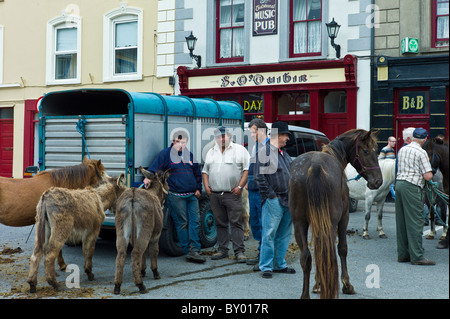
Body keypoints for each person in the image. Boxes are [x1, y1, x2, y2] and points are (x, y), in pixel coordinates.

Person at [145, 130, 205, 263]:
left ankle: (195, 249)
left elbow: (197, 172)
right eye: (178, 142)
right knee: (182, 223)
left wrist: (198, 188)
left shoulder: (189, 155)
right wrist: (148, 178)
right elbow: (154, 168)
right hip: (175, 195)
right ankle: (187, 249)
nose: (181, 144)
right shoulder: (166, 154)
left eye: (183, 142)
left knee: (195, 221)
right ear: (173, 142)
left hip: (192, 195)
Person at [202, 126, 250, 263]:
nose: (221, 139)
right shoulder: (211, 152)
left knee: (236, 223)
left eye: (223, 136)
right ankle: (222, 250)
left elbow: (247, 169)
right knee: (220, 223)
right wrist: (207, 187)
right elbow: (205, 171)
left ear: (229, 136)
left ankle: (239, 252)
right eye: (218, 137)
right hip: (215, 194)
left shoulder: (239, 150)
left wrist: (240, 186)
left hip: (232, 194)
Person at [255, 121, 296, 278]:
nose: (287, 139)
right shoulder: (264, 152)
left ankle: (279, 264)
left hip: (288, 199)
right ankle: (266, 266)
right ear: (278, 135)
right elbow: (260, 178)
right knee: (270, 233)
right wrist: (271, 196)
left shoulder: (283, 154)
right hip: (275, 200)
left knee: (284, 234)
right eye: (286, 135)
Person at [395, 128, 435, 265]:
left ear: (412, 137)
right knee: (415, 221)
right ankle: (417, 256)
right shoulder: (421, 152)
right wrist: (431, 174)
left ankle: (403, 254)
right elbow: (427, 176)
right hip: (412, 187)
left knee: (401, 222)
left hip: (399, 185)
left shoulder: (403, 149)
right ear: (424, 139)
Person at [245, 118, 269, 266]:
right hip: (253, 190)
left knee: (263, 223)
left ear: (261, 131)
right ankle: (262, 252)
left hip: (262, 192)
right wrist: (249, 182)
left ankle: (264, 256)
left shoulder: (269, 147)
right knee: (254, 222)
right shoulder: (256, 147)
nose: (252, 135)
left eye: (253, 132)